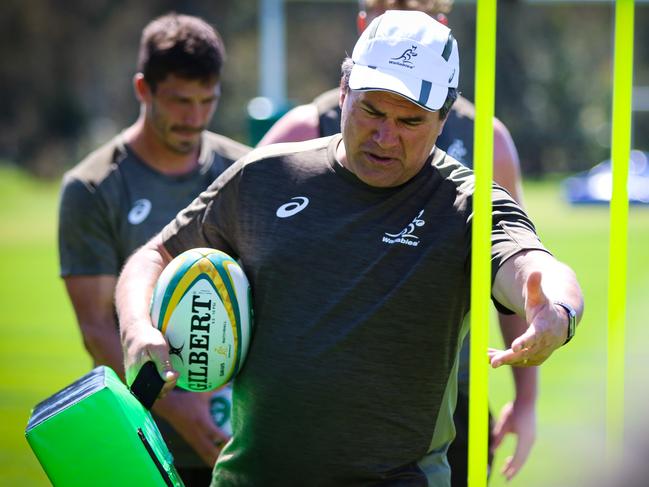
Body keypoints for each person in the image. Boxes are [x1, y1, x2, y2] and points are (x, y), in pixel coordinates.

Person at [116, 10, 583, 486]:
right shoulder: (265, 177)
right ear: (343, 92)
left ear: (444, 119)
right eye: (371, 111)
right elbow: (155, 255)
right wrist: (135, 327)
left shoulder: (467, 205)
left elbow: (534, 266)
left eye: (410, 121)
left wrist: (557, 311)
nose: (385, 136)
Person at [258, 0, 534, 483]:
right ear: (364, 24)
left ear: (443, 28)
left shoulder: (487, 138)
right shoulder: (305, 129)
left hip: (447, 404)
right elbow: (232, 261)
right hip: (316, 403)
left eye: (421, 16)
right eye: (389, 13)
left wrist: (526, 399)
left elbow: (511, 277)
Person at [57, 12, 250, 485]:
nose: (195, 118)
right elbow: (99, 327)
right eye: (180, 101)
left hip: (237, 433)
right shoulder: (92, 187)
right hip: (143, 438)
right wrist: (184, 410)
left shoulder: (243, 171)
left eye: (208, 100)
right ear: (143, 90)